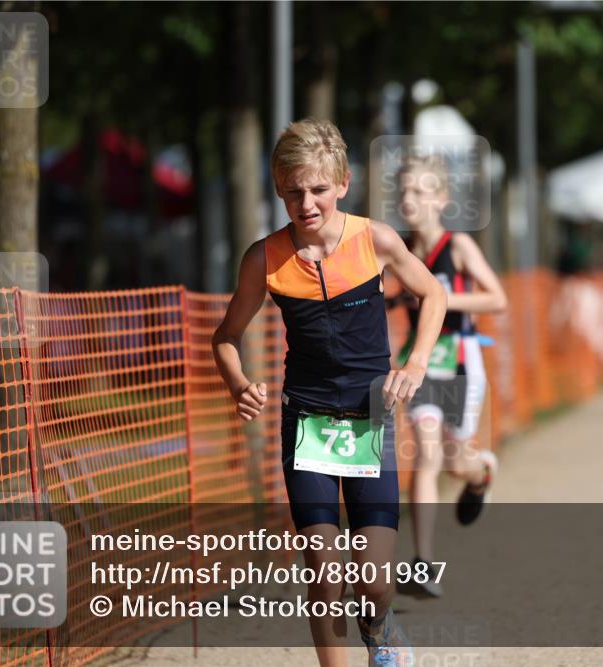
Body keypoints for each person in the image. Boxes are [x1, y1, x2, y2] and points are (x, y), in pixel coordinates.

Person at [212, 119, 446, 667]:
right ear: (278, 190)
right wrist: (239, 383)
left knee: (373, 577)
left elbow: (432, 294)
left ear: (341, 183)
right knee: (322, 570)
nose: (306, 202)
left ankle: (379, 624)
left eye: (317, 189)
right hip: (307, 421)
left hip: (369, 415)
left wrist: (414, 363)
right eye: (294, 191)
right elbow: (225, 338)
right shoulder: (263, 258)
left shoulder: (376, 240)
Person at [394, 154, 507, 597]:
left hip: (460, 360)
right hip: (419, 362)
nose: (410, 199)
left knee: (457, 461)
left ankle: (481, 473)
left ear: (441, 199)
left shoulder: (457, 247)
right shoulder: (398, 251)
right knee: (425, 454)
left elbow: (497, 300)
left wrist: (439, 299)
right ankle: (422, 563)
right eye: (404, 191)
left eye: (420, 191)